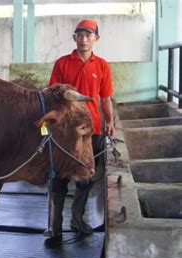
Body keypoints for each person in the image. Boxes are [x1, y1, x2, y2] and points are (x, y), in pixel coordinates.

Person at [44, 19, 115, 246]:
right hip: (65, 131)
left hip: (91, 130)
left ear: (96, 38)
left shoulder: (102, 65)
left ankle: (77, 220)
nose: (84, 39)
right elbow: (52, 94)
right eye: (80, 35)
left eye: (89, 35)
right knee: (58, 175)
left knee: (86, 175)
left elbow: (105, 98)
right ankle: (54, 227)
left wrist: (110, 121)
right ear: (74, 38)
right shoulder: (63, 63)